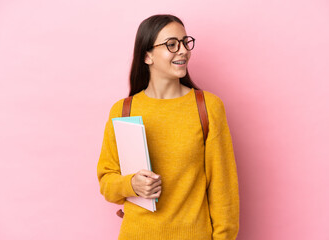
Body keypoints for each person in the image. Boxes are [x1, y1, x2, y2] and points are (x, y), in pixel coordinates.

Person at [97, 14, 239, 240]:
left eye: (185, 42)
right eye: (172, 44)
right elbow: (106, 182)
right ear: (147, 56)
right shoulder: (123, 110)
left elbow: (224, 190)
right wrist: (131, 184)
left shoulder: (208, 107)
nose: (183, 50)